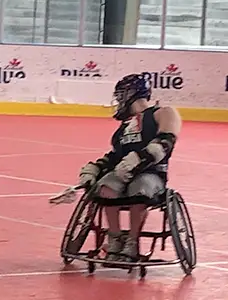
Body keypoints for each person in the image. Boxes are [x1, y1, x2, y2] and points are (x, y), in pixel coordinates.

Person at [77, 73, 182, 262]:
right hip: (123, 172)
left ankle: (132, 241)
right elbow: (114, 157)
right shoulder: (123, 129)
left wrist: (142, 157)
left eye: (120, 95)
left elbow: (167, 139)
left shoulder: (162, 112)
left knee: (139, 188)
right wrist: (93, 170)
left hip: (152, 172)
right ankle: (115, 237)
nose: (118, 100)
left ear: (131, 94)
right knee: (105, 186)